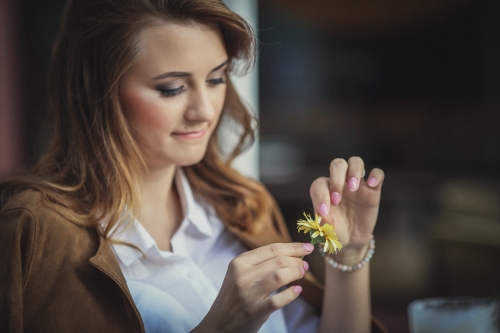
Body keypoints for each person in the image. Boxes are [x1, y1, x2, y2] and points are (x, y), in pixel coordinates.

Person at [0, 0, 386, 332]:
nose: (205, 111)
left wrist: (348, 255)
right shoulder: (33, 234)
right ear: (96, 90)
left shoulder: (242, 204)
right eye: (172, 88)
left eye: (217, 78)